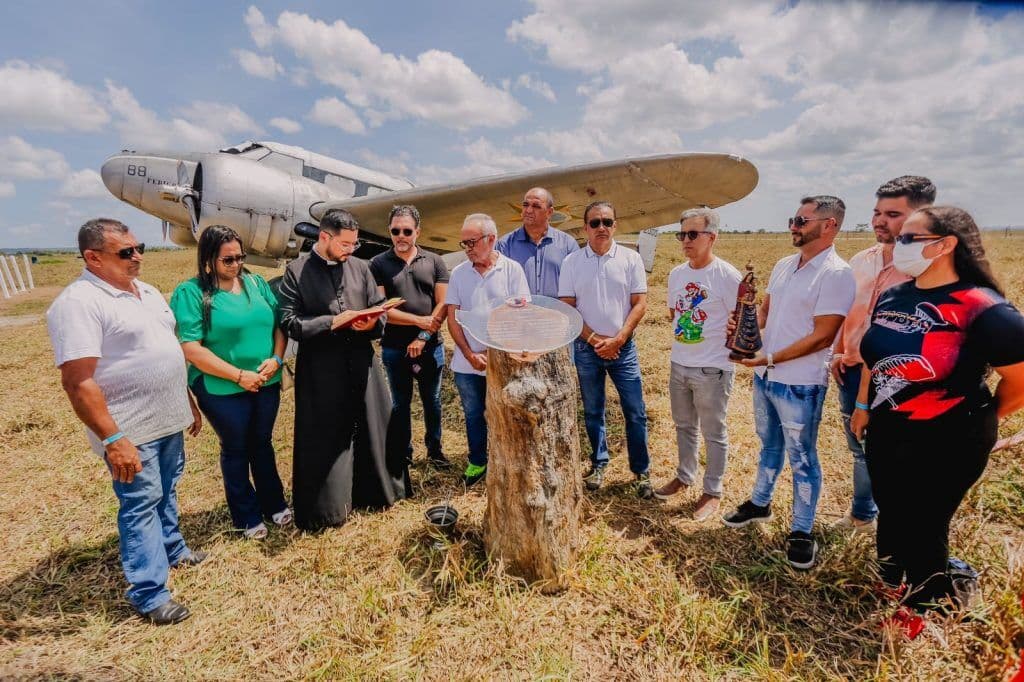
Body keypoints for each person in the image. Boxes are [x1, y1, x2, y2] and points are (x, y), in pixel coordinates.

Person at [851, 206, 1024, 619]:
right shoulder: (895, 295)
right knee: (891, 509)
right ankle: (890, 580)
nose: (897, 244)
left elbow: (1020, 380)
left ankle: (923, 609)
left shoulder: (985, 309)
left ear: (945, 245)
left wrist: (981, 420)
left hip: (950, 440)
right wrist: (862, 405)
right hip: (888, 429)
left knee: (925, 525)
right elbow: (875, 357)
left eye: (909, 238)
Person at [46, 218, 204, 625]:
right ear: (93, 257)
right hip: (131, 430)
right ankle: (150, 592)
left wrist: (187, 400)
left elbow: (167, 349)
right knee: (140, 504)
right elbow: (78, 381)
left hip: (168, 418)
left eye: (139, 248)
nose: (137, 257)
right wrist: (114, 438)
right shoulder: (78, 303)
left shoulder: (146, 291)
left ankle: (173, 548)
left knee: (167, 489)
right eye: (126, 252)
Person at [722, 196, 855, 570]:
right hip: (766, 376)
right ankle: (760, 503)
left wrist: (769, 358)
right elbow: (765, 313)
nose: (793, 226)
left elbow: (823, 336)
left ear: (829, 225)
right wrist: (745, 327)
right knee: (769, 445)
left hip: (800, 383)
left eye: (801, 220)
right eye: (793, 219)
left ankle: (801, 530)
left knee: (802, 457)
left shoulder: (837, 273)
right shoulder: (784, 265)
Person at [278, 208, 409, 531]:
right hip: (321, 368)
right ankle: (330, 509)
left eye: (354, 244)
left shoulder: (361, 268)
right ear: (325, 237)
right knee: (326, 435)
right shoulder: (296, 272)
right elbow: (290, 322)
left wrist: (370, 323)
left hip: (362, 362)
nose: (351, 250)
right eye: (346, 244)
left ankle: (376, 494)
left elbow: (378, 312)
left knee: (373, 426)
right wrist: (333, 322)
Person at [169, 225, 292, 540]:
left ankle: (274, 502)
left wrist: (276, 359)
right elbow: (191, 348)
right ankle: (246, 515)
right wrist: (239, 376)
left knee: (262, 443)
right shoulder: (191, 293)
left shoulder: (256, 283)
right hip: (221, 387)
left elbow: (278, 326)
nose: (236, 264)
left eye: (240, 257)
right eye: (228, 260)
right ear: (208, 260)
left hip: (265, 382)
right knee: (236, 447)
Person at [830, 176, 935, 533]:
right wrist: (837, 353)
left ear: (920, 216)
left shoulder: (926, 270)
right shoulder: (861, 260)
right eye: (877, 212)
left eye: (892, 214)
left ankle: (902, 526)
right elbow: (846, 312)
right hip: (851, 370)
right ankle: (863, 515)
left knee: (899, 453)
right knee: (859, 448)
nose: (879, 221)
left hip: (899, 378)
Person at [558, 201, 653, 499]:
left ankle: (641, 471)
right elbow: (567, 308)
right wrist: (596, 340)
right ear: (585, 227)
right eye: (595, 222)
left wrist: (619, 339)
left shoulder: (631, 259)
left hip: (624, 350)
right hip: (587, 350)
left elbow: (640, 303)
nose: (602, 228)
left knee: (635, 411)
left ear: (615, 225)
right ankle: (599, 463)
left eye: (607, 222)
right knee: (593, 411)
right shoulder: (571, 262)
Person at [653, 207, 742, 520]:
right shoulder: (677, 274)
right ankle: (684, 475)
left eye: (693, 234)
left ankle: (712, 491)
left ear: (712, 237)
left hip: (712, 368)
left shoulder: (727, 276)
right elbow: (673, 314)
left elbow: (742, 321)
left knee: (713, 431)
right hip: (680, 363)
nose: (686, 241)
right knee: (684, 426)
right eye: (682, 234)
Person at [445, 213, 530, 486]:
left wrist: (496, 353)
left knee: (506, 411)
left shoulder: (512, 270)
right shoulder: (459, 274)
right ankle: (477, 461)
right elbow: (453, 318)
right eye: (464, 244)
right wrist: (469, 354)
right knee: (473, 414)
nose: (467, 249)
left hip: (503, 360)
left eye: (472, 242)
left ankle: (507, 461)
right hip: (467, 362)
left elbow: (520, 315)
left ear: (491, 239)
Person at [369, 205, 451, 469]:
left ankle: (435, 451)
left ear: (418, 232)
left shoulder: (435, 261)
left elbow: (443, 303)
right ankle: (404, 454)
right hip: (394, 348)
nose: (401, 236)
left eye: (407, 231)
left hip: (430, 346)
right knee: (399, 404)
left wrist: (423, 336)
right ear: (389, 231)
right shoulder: (378, 264)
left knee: (432, 402)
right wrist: (418, 321)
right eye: (395, 231)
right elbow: (382, 309)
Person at [495, 186, 579, 297]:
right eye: (525, 205)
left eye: (536, 206)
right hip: (519, 308)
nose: (528, 210)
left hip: (557, 308)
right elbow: (497, 286)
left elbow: (578, 285)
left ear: (549, 212)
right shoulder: (504, 245)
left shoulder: (568, 245)